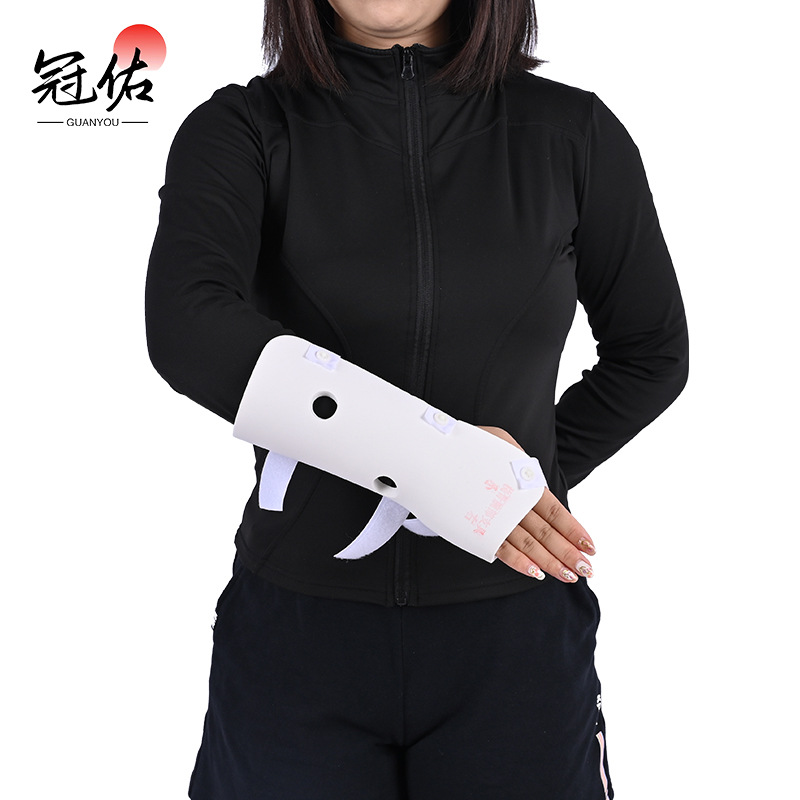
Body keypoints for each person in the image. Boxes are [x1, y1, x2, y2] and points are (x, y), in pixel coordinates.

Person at [145, 0, 689, 797]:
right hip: (296, 638)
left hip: (515, 640)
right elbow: (189, 327)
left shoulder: (572, 133)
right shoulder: (242, 129)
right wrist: (442, 468)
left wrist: (512, 488)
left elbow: (652, 352)